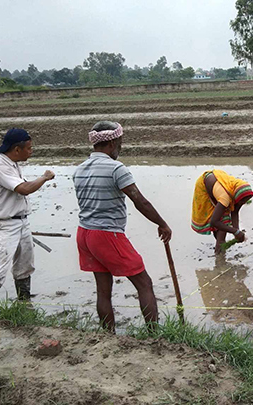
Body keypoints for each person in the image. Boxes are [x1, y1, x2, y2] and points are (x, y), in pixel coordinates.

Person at [73, 121, 172, 332]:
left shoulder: (80, 169)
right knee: (144, 283)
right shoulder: (116, 168)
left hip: (84, 234)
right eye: (120, 143)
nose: (121, 147)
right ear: (111, 144)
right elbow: (140, 201)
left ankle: (108, 336)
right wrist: (162, 224)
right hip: (107, 234)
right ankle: (155, 336)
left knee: (103, 290)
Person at [0, 128, 55, 308]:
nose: (31, 151)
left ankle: (24, 305)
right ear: (17, 149)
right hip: (4, 225)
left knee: (24, 266)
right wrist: (45, 177)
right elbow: (24, 189)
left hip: (20, 222)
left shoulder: (12, 164)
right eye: (29, 148)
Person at [192, 169, 253, 255]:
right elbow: (214, 222)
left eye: (245, 201)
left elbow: (235, 212)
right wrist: (235, 232)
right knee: (223, 220)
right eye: (242, 200)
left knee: (222, 220)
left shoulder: (236, 189)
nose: (242, 203)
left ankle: (220, 247)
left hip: (219, 180)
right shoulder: (225, 197)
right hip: (204, 185)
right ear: (236, 194)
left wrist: (237, 231)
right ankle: (220, 257)